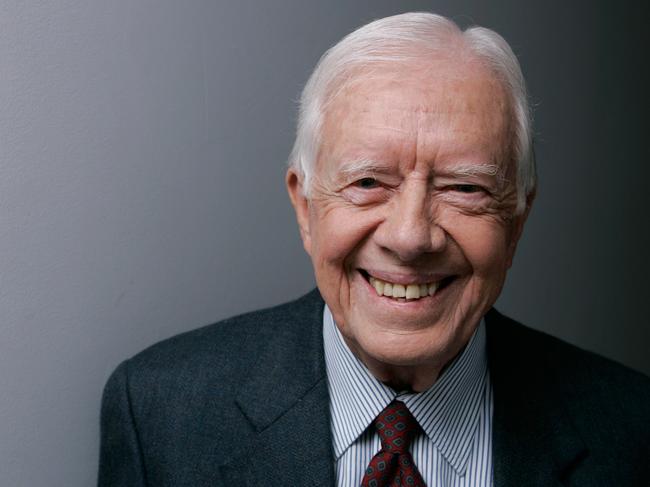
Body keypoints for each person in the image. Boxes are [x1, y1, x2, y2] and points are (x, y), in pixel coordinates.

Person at [98, 12, 650, 486]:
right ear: (306, 207)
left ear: (517, 218)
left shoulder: (632, 431)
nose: (410, 237)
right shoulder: (159, 414)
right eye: (367, 183)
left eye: (464, 188)